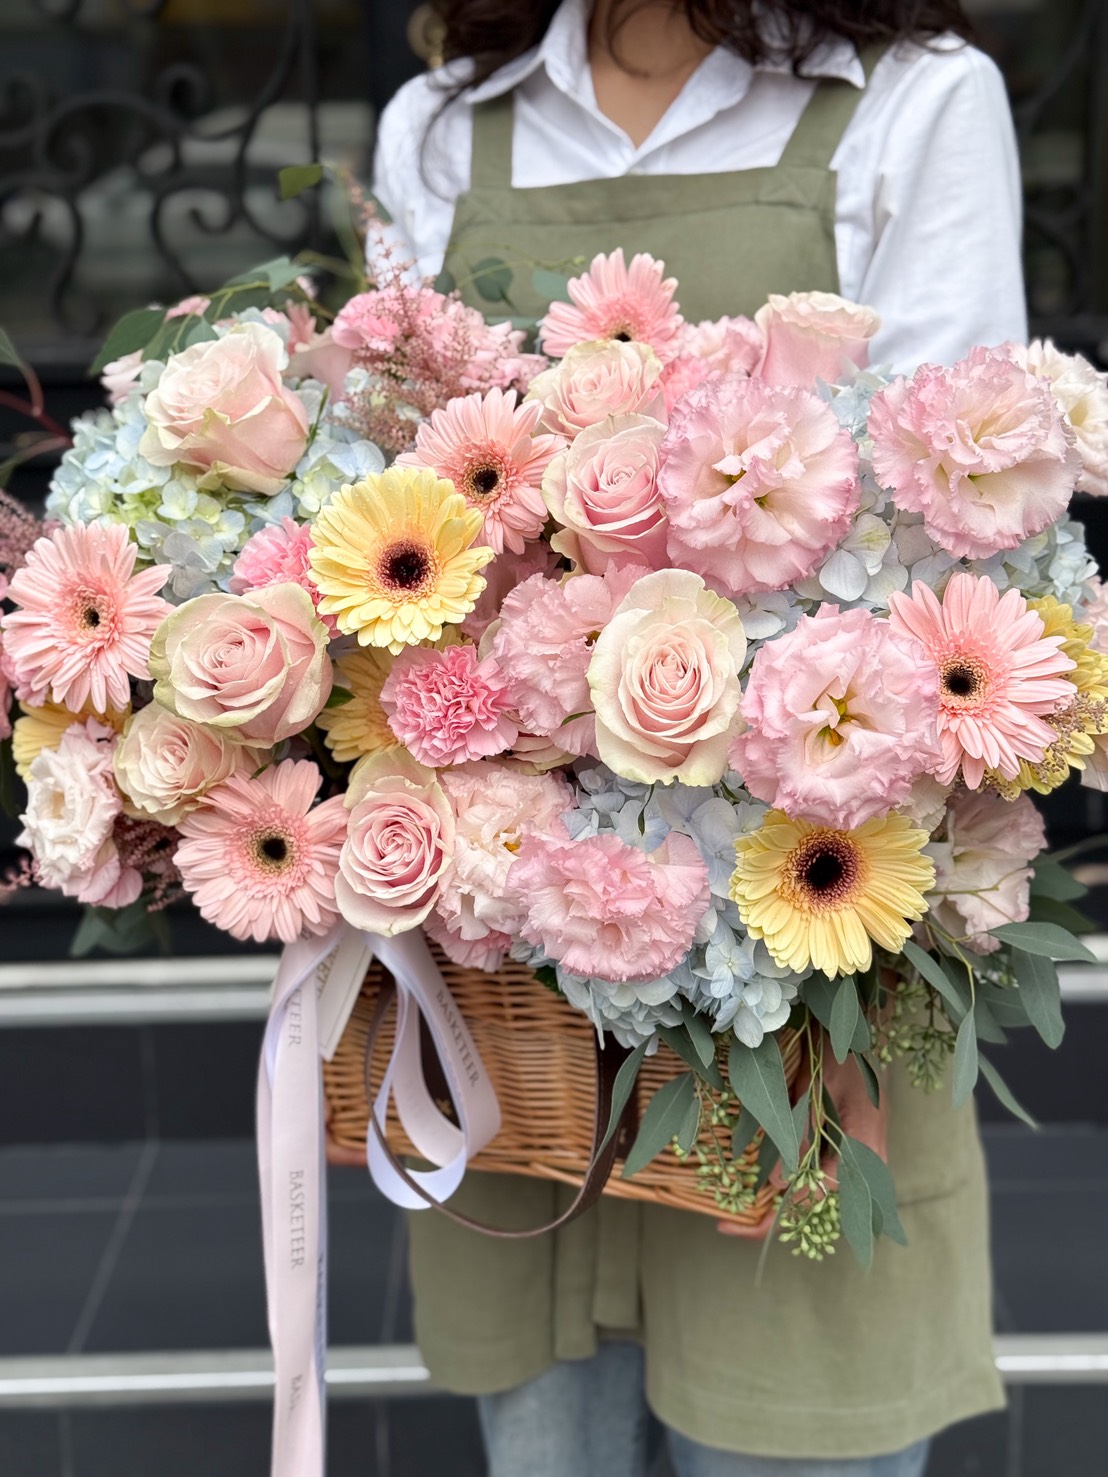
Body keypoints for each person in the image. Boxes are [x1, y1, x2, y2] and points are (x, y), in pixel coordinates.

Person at [368, 2, 1024, 1473]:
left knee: (797, 1424)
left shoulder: (911, 102)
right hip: (526, 983)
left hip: (796, 958)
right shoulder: (445, 124)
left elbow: (955, 521)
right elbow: (389, 530)